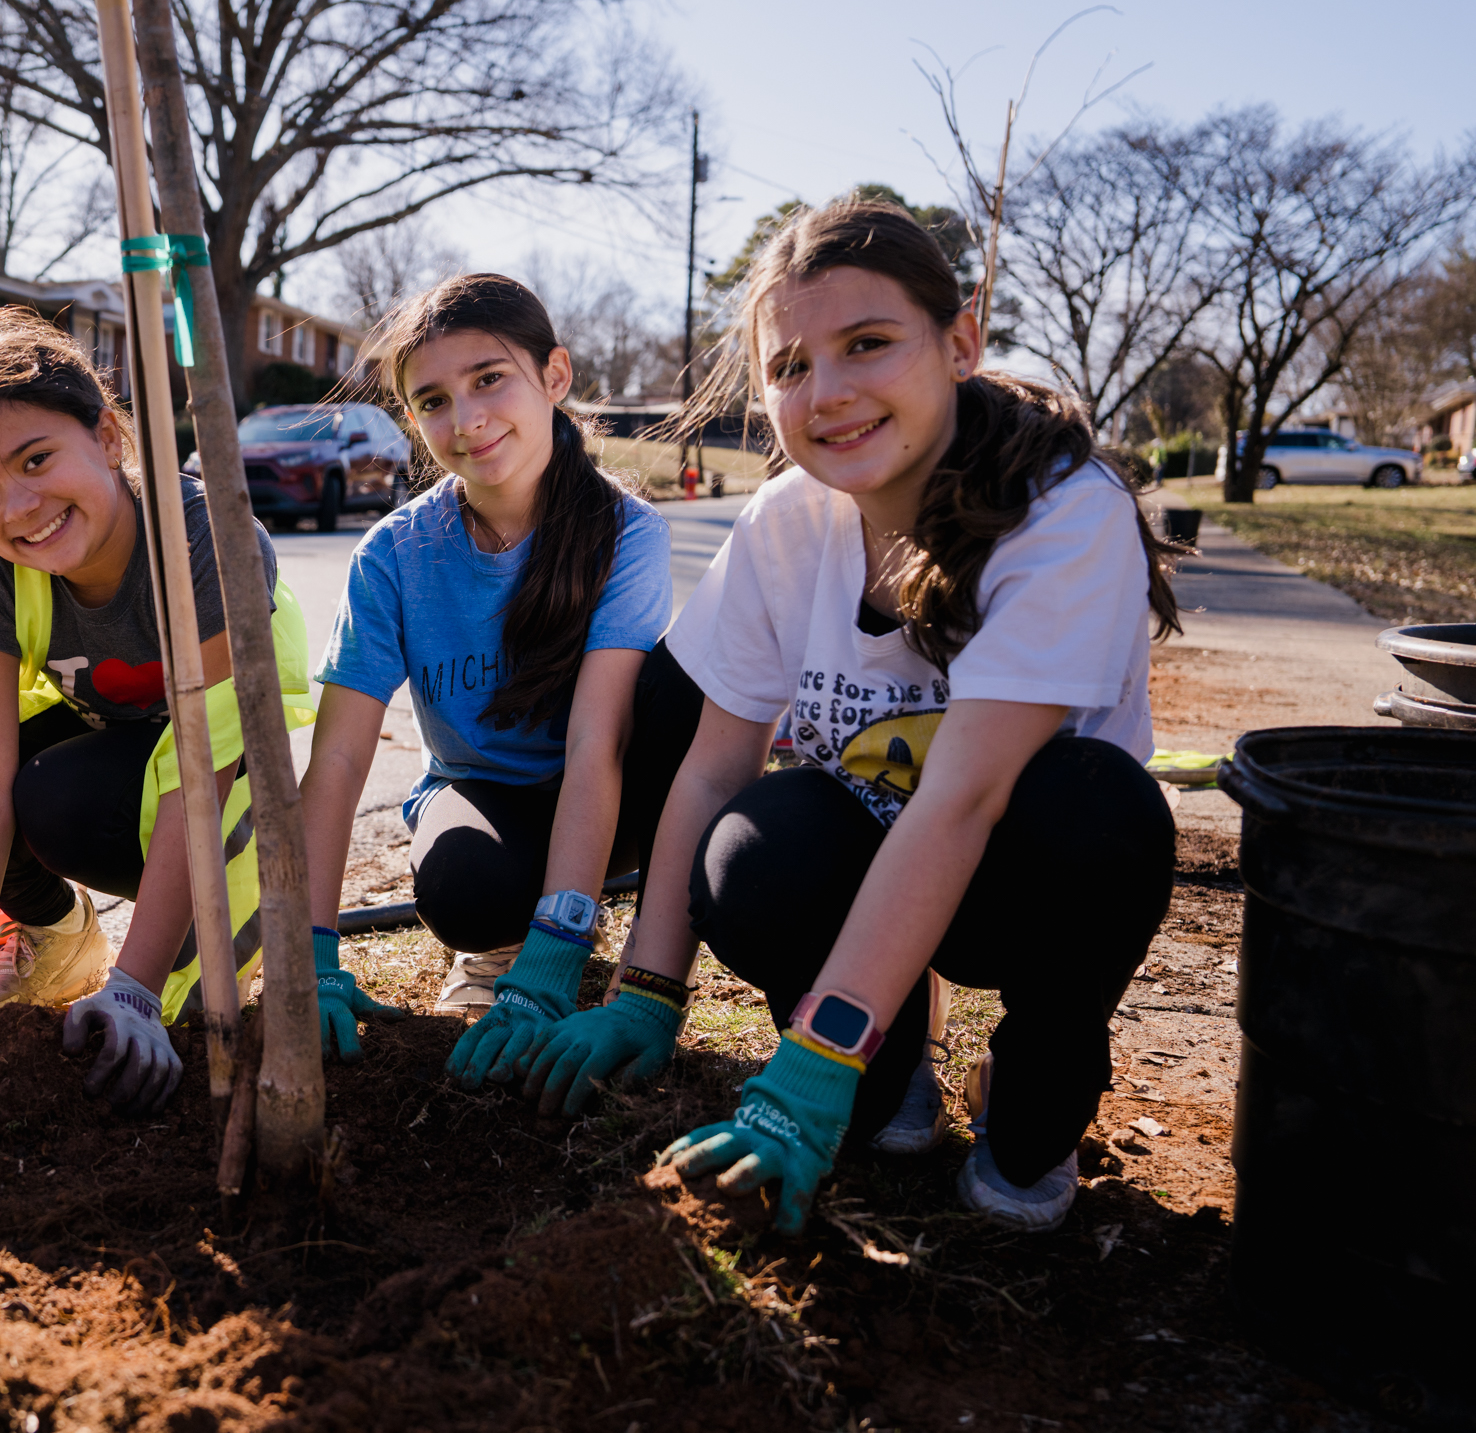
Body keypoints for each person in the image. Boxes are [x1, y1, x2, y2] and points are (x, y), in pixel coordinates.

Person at [523, 197, 1182, 1232]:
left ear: (958, 341)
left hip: (1028, 877)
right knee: (750, 850)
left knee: (1100, 808)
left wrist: (816, 1057)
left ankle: (1032, 1065)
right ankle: (894, 1053)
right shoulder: (788, 519)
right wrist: (646, 989)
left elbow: (964, 798)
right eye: (789, 367)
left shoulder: (1063, 510)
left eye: (866, 345)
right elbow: (710, 766)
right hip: (878, 859)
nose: (824, 394)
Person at [0, 308, 309, 1114]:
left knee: (178, 1013)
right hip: (101, 755)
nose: (17, 507)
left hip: (217, 798)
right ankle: (58, 936)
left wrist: (135, 986)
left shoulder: (205, 539)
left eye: (36, 459)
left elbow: (202, 768)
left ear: (109, 439)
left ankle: (145, 960)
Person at [299, 273, 695, 1090]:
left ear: (554, 376)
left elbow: (597, 741)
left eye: (489, 379)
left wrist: (560, 950)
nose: (467, 419)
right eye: (433, 399)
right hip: (486, 792)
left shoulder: (627, 531)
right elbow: (338, 760)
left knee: (688, 693)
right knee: (463, 886)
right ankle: (498, 943)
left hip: (611, 787)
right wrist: (310, 947)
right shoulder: (395, 552)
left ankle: (636, 963)